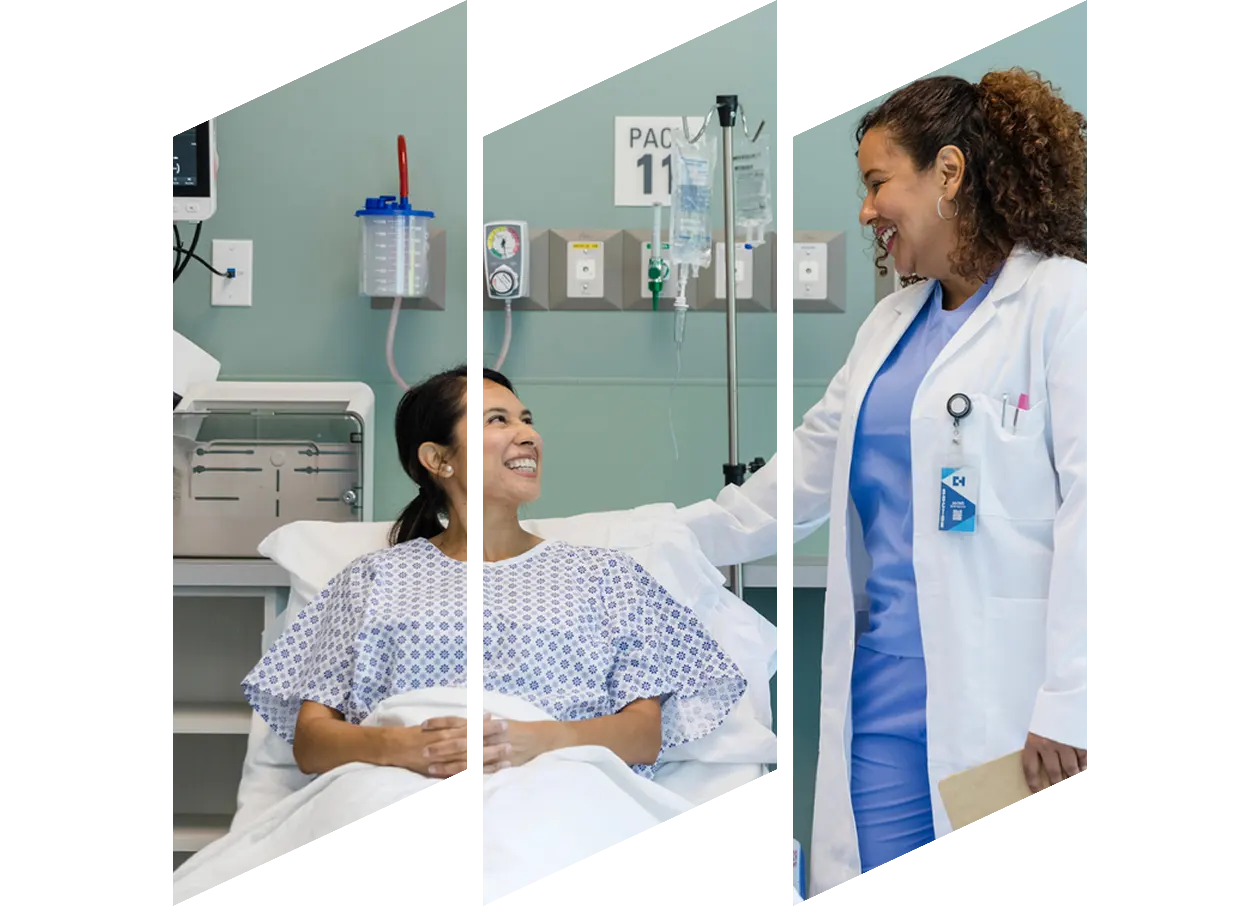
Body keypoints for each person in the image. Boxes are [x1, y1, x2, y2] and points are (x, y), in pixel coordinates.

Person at [673, 68, 1091, 894]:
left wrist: (1072, 698)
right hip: (881, 699)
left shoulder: (1063, 302)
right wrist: (634, 536)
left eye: (876, 184)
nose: (867, 211)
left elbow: (1103, 512)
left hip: (1005, 698)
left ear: (948, 173)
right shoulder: (890, 324)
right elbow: (789, 489)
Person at [242, 364, 748, 780]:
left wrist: (538, 741)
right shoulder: (372, 580)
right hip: (395, 794)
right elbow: (311, 742)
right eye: (498, 421)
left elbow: (642, 735)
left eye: (526, 420)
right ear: (438, 459)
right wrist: (405, 748)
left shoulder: (607, 578)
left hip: (557, 788)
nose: (528, 435)